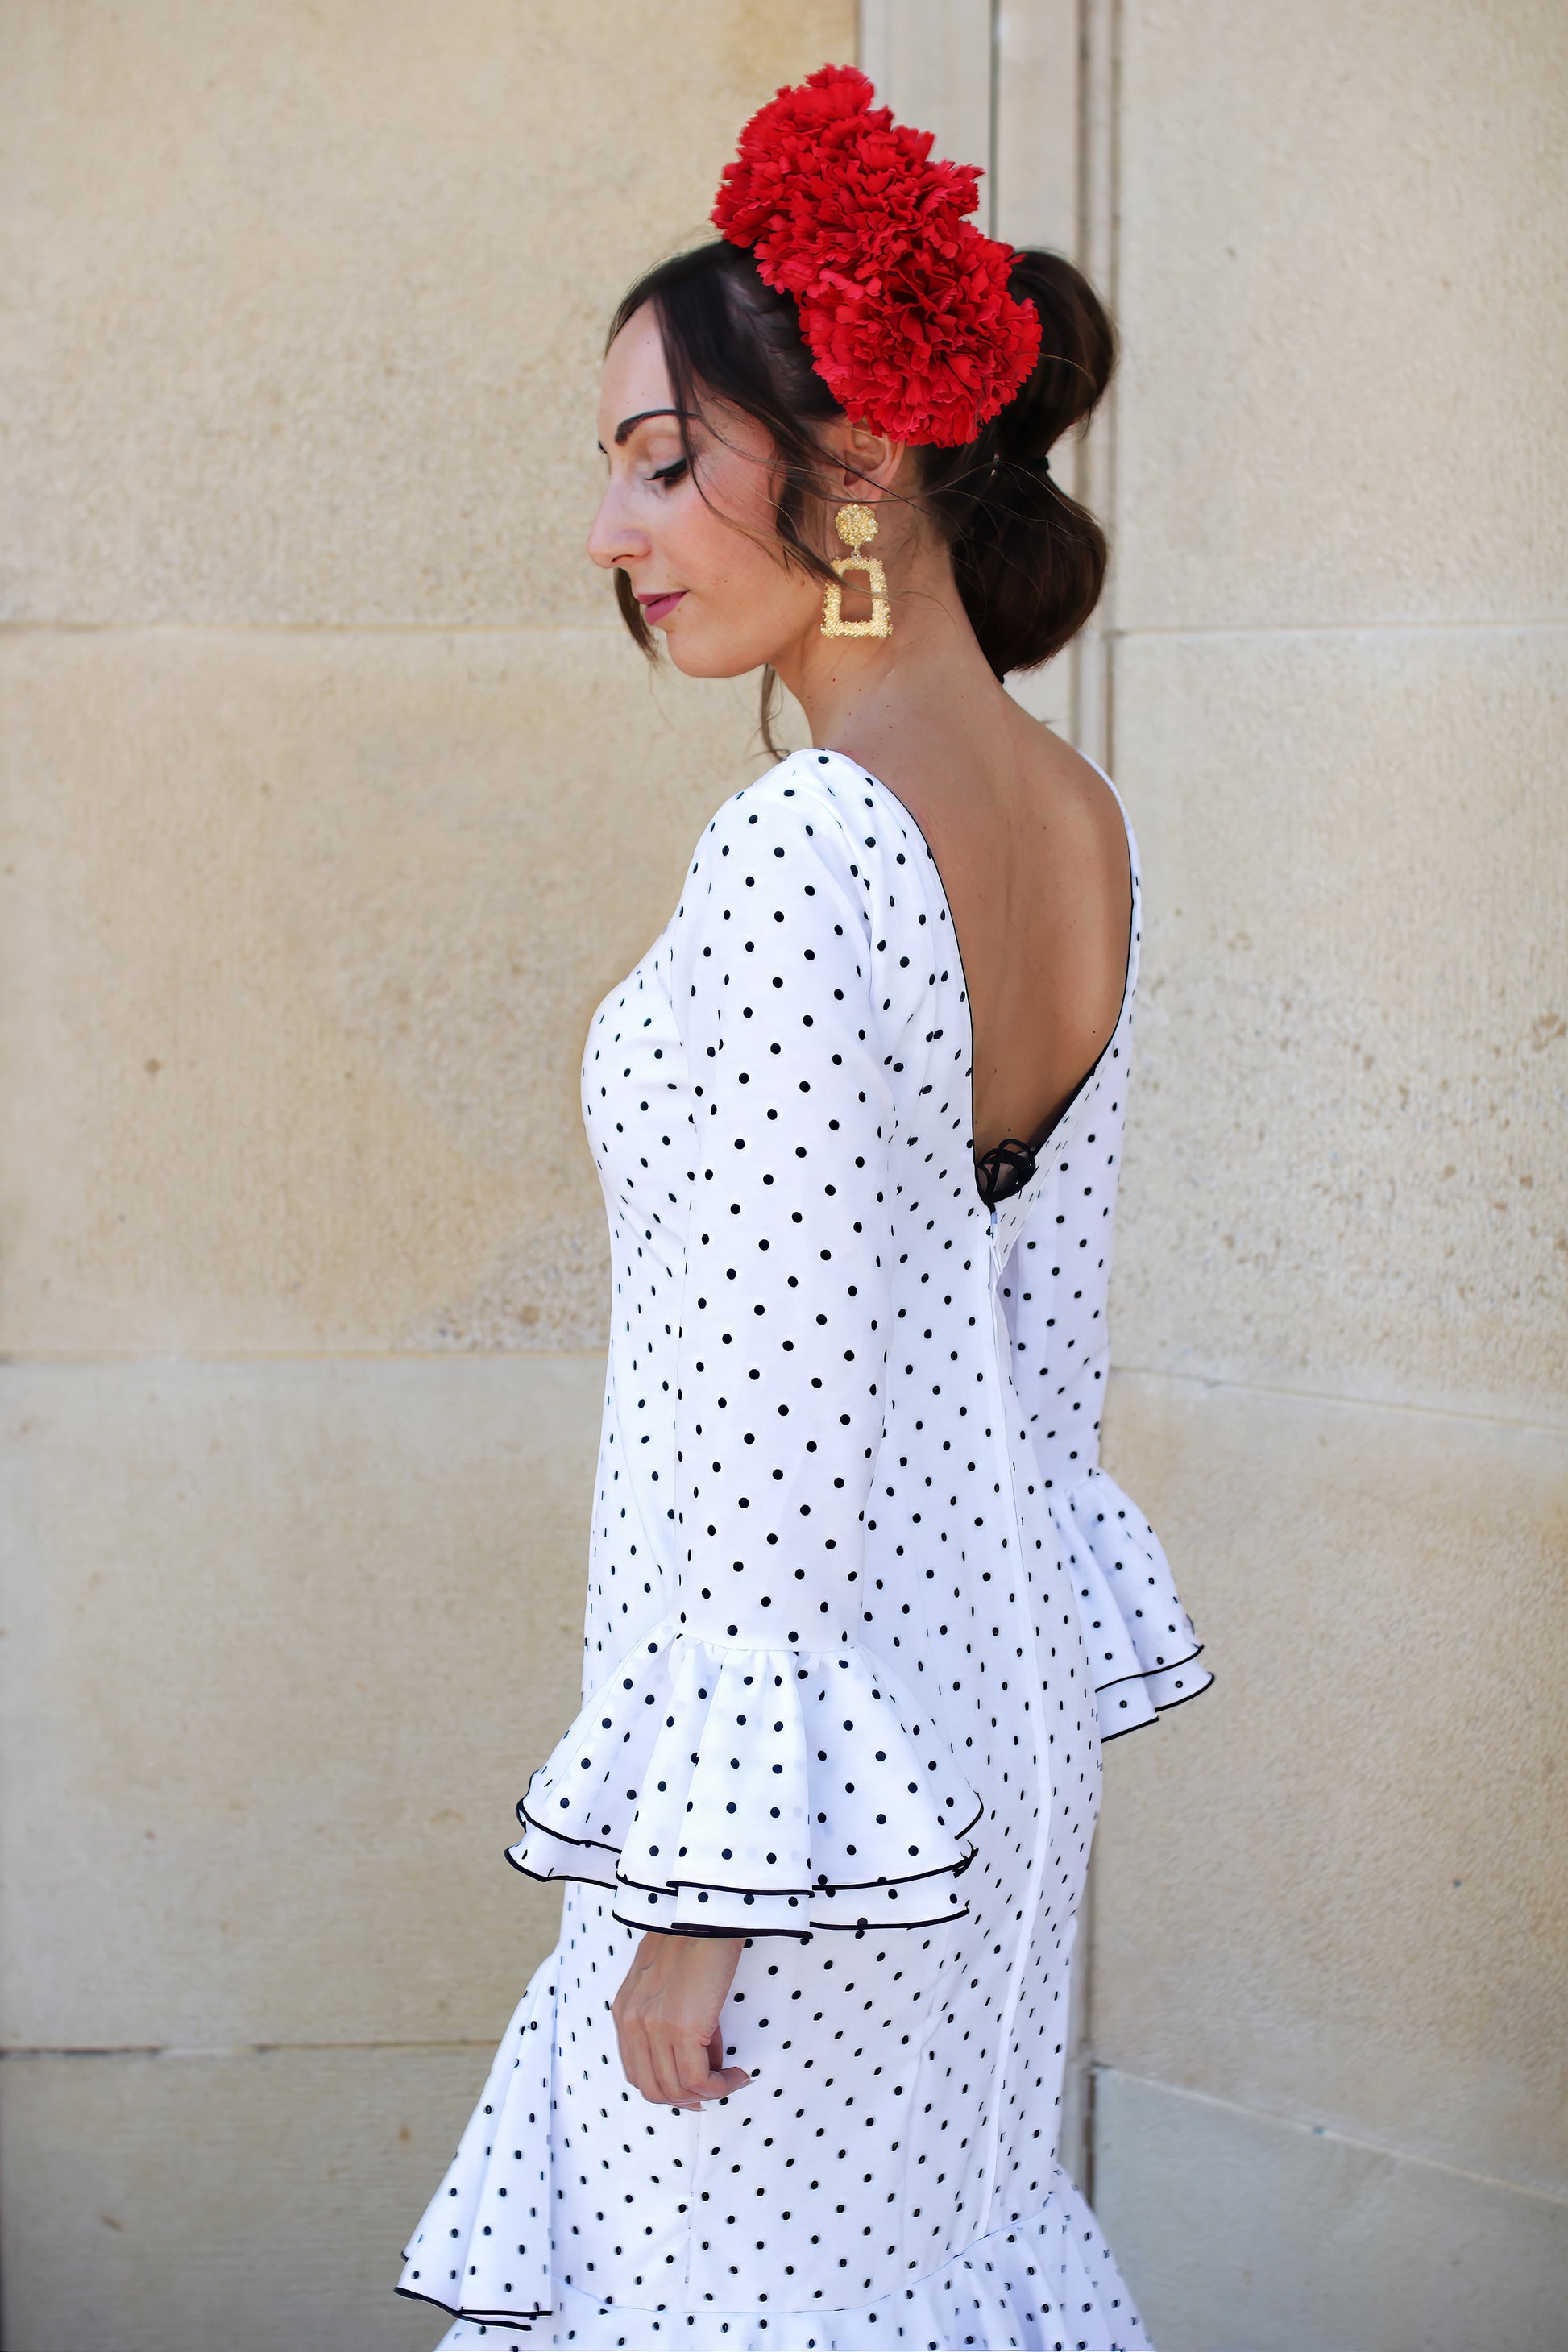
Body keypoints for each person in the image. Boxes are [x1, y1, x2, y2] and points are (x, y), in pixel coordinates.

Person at [399, 64, 1210, 2352]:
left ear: (854, 468)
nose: (609, 533)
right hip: (977, 1742)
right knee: (928, 2274)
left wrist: (702, 1898)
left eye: (661, 462)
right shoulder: (1076, 817)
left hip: (797, 1826)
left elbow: (774, 1386)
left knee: (733, 2310)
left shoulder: (806, 848)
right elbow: (1039, 1360)